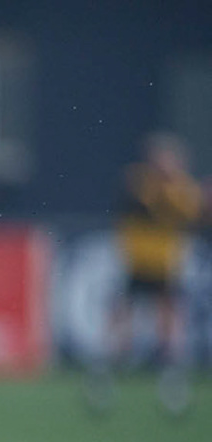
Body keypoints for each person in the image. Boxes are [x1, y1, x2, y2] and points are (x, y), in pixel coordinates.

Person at [88, 133, 204, 417]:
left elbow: (192, 213)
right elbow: (147, 204)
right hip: (138, 266)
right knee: (122, 327)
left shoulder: (181, 189)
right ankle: (101, 379)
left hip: (165, 268)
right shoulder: (141, 181)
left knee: (169, 327)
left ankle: (172, 387)